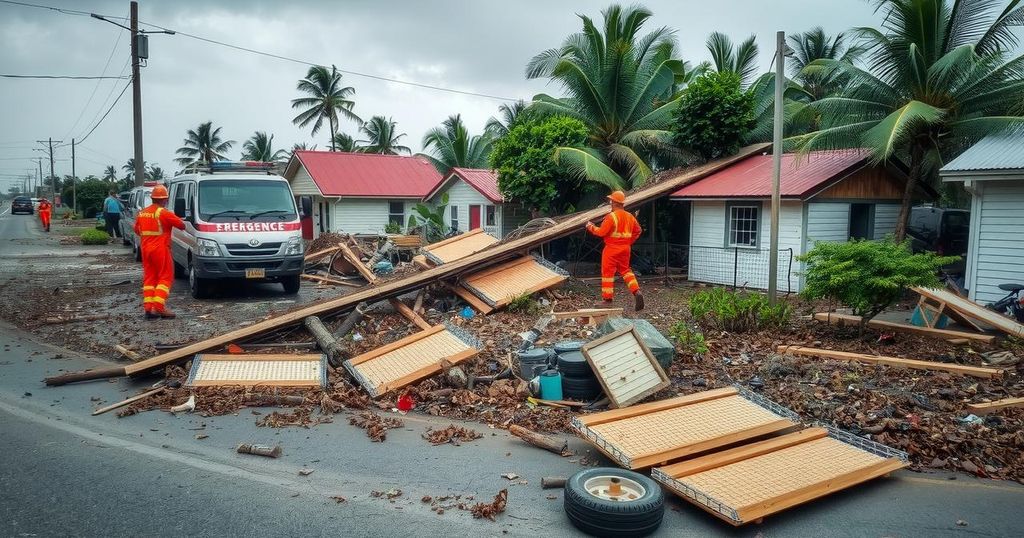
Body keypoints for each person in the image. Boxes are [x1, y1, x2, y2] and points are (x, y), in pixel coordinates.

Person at [585, 190, 644, 311]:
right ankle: (636, 291)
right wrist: (628, 242)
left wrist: (590, 226)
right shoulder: (630, 217)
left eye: (611, 201)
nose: (610, 203)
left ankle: (607, 300)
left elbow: (601, 232)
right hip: (625, 249)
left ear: (614, 202)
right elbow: (638, 231)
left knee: (607, 274)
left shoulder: (611, 217)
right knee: (626, 271)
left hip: (611, 250)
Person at [133, 185, 185, 319]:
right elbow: (182, 225)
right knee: (165, 277)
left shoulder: (142, 213)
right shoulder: (164, 213)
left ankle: (149, 309)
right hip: (160, 249)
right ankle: (159, 307)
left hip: (146, 250)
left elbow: (137, 230)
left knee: (150, 278)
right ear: (165, 199)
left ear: (152, 198)